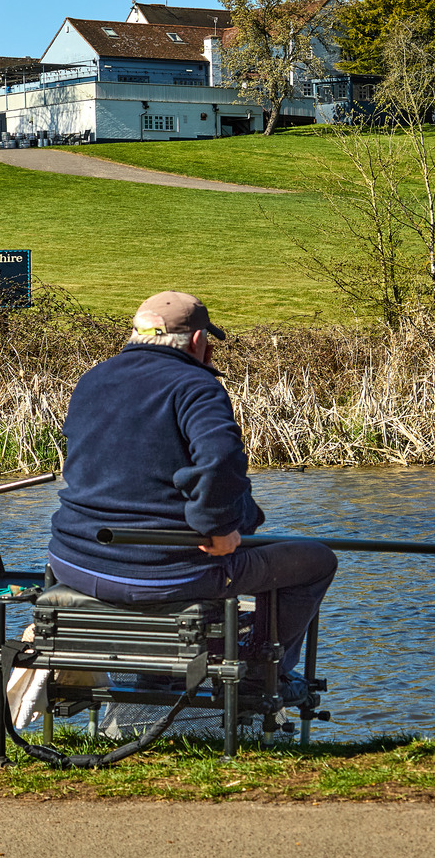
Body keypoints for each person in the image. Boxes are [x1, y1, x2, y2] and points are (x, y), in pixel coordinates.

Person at [48, 290, 335, 697]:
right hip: (164, 571)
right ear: (199, 342)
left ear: (135, 334)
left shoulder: (93, 379)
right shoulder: (194, 385)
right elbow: (220, 459)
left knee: (248, 528)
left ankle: (159, 670)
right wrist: (216, 527)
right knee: (316, 560)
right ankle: (259, 676)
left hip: (74, 561)